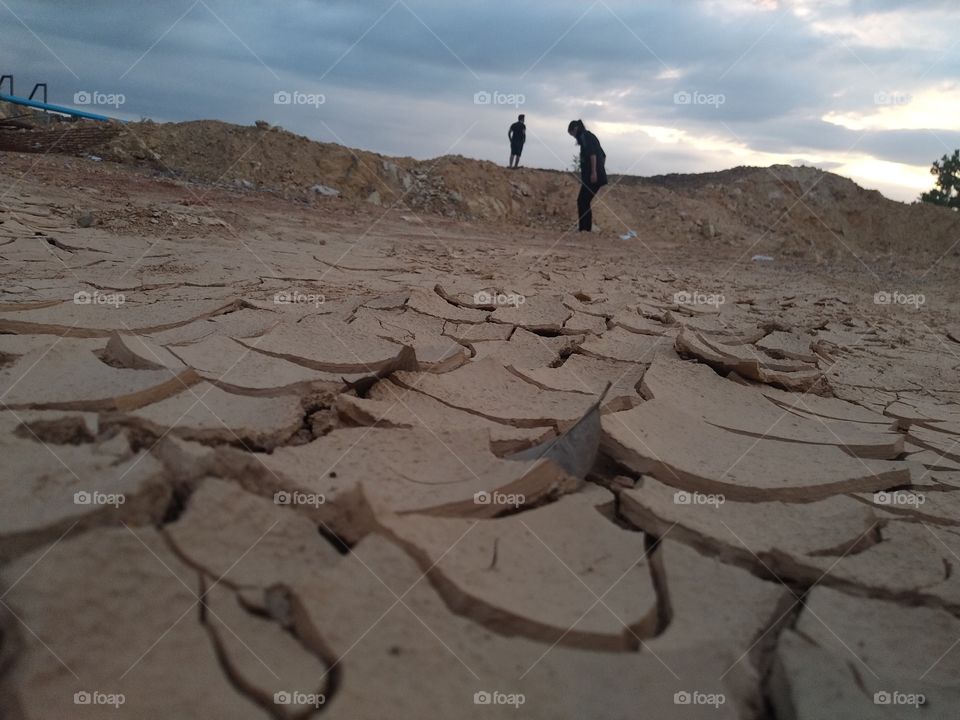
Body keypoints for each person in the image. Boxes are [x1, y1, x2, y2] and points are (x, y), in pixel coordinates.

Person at [567, 119, 607, 232]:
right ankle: (585, 228)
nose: (574, 137)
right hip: (596, 176)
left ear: (575, 129)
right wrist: (600, 169)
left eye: (572, 134)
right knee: (584, 201)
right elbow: (603, 156)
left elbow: (592, 154)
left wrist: (594, 172)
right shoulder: (589, 136)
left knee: (582, 200)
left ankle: (584, 228)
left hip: (593, 177)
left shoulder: (585, 137)